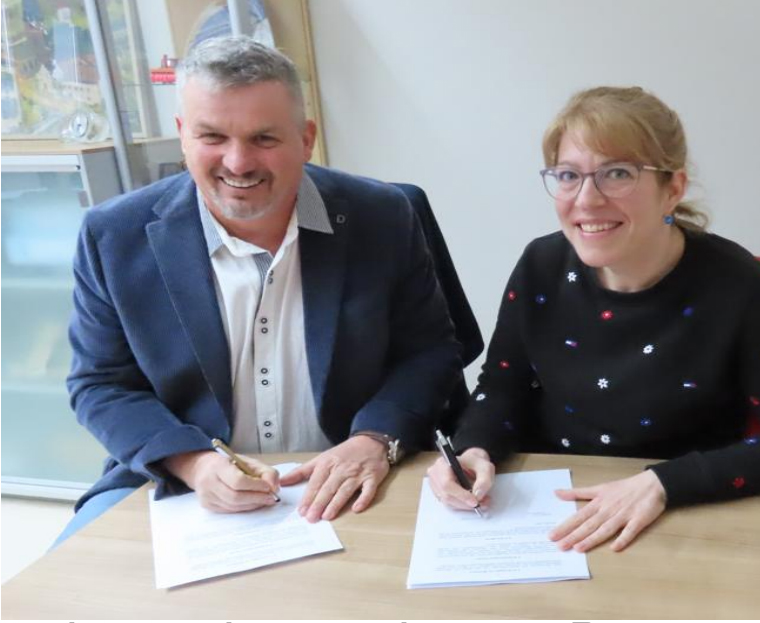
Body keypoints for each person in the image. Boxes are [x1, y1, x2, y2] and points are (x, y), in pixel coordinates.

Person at [60, 35, 462, 542]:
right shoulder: (114, 236)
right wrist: (192, 462)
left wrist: (375, 439)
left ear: (306, 138)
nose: (238, 162)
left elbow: (430, 352)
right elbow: (100, 384)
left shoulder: (382, 216)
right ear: (183, 135)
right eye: (212, 136)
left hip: (353, 476)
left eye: (264, 139)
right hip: (179, 481)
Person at [427, 86, 760, 553]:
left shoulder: (740, 286)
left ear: (673, 189)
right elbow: (502, 387)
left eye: (617, 174)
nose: (586, 199)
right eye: (568, 175)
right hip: (548, 512)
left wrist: (663, 483)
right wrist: (474, 448)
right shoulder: (540, 265)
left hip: (679, 520)